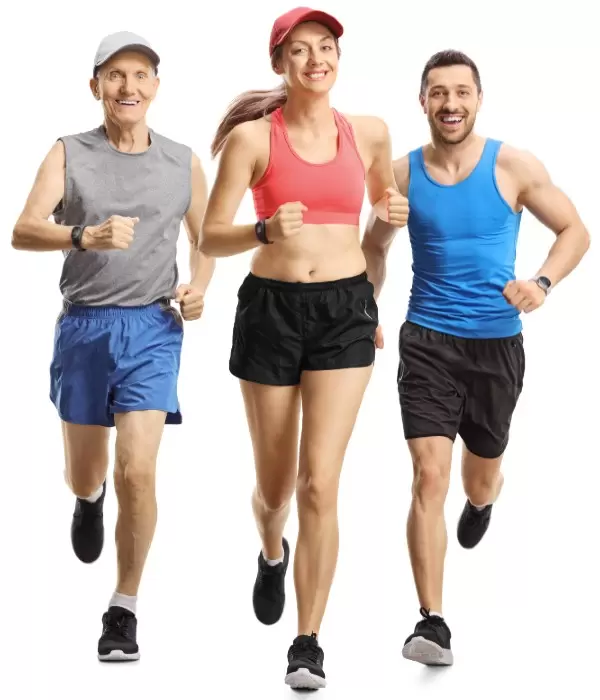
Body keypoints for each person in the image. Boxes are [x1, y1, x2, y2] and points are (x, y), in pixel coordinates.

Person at [200, 6, 408, 690]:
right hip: (270, 311)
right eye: (299, 49)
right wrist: (262, 229)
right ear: (279, 64)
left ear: (337, 58)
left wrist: (382, 249)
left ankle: (308, 639)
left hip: (345, 311)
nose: (315, 58)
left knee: (320, 481)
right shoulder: (254, 141)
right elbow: (209, 237)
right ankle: (269, 548)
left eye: (326, 47)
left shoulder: (371, 133)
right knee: (275, 487)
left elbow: (378, 229)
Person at [361, 49, 590, 666]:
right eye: (438, 93)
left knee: (477, 473)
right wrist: (369, 310)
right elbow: (373, 249)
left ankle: (484, 499)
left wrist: (540, 284)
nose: (451, 104)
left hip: (496, 343)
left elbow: (576, 231)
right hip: (428, 340)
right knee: (428, 474)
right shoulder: (402, 176)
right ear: (423, 102)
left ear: (478, 98)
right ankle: (432, 622)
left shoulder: (513, 165)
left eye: (461, 92)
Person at [11, 31, 215, 662]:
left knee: (140, 468)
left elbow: (207, 237)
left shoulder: (182, 160)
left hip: (153, 329)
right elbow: (22, 230)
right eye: (116, 76)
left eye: (141, 75)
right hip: (85, 326)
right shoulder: (68, 152)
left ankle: (122, 608)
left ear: (156, 85)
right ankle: (87, 498)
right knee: (87, 470)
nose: (129, 87)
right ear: (95, 85)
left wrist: (199, 286)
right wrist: (82, 236)